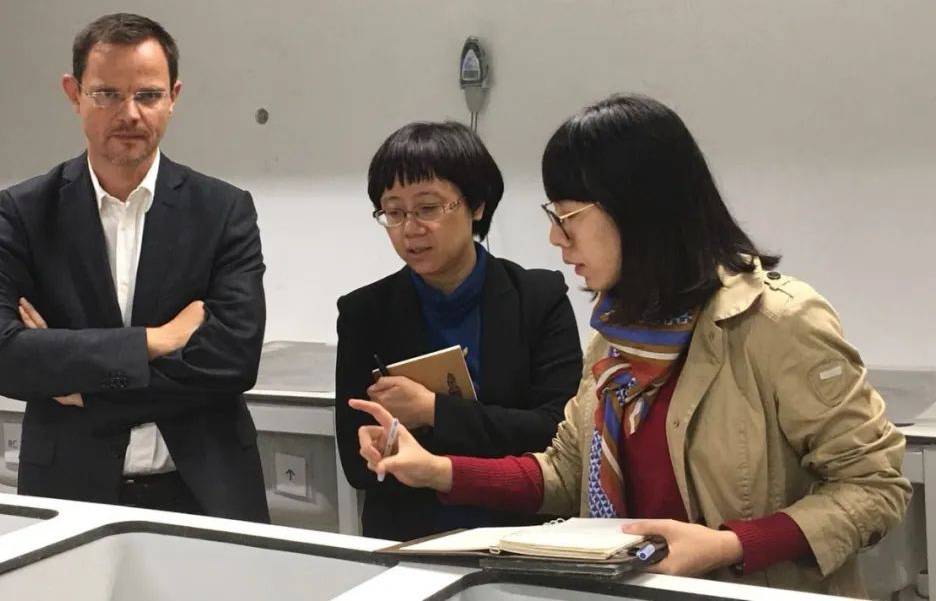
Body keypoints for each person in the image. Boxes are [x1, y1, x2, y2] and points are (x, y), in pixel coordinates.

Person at [351, 95, 909, 595]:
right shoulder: (615, 337)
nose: (555, 237)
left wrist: (731, 545)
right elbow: (566, 473)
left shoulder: (774, 323)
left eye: (568, 216)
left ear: (640, 211)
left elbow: (874, 486)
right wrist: (438, 469)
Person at [0, 13, 268, 521]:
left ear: (173, 97)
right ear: (74, 93)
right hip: (69, 492)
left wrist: (80, 384)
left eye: (148, 95)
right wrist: (155, 341)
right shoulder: (24, 212)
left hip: (206, 492)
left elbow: (232, 361)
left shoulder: (223, 210)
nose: (129, 113)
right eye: (107, 94)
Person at [336, 121, 584, 540]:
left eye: (428, 208)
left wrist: (434, 412)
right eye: (394, 212)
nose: (410, 229)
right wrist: (376, 446)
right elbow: (356, 466)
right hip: (409, 536)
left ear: (477, 204)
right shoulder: (364, 312)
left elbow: (556, 435)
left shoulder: (538, 298)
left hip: (520, 533)